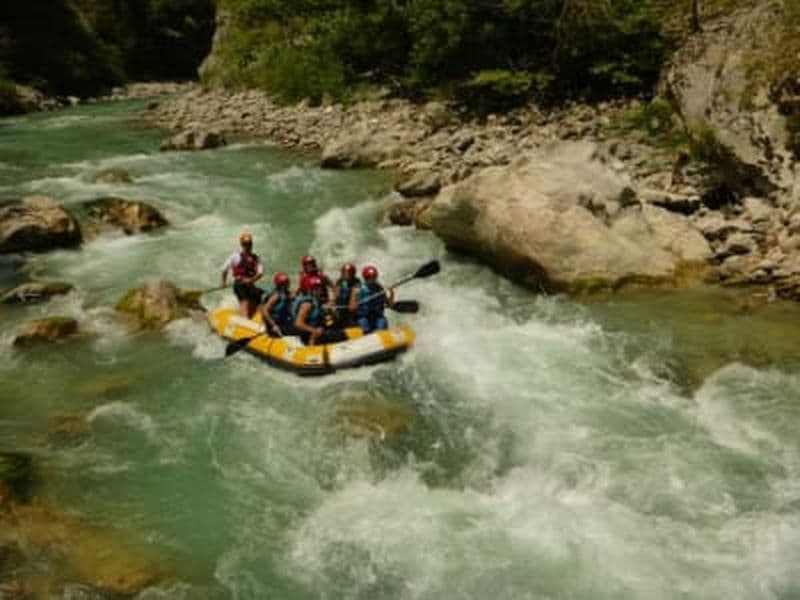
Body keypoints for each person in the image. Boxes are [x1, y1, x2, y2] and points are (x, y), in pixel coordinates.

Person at [291, 275, 346, 345]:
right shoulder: (307, 304)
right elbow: (298, 323)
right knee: (340, 336)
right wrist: (314, 331)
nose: (320, 289)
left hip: (317, 330)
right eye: (316, 288)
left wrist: (330, 310)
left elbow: (324, 316)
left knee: (337, 328)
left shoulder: (317, 300)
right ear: (311, 289)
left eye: (320, 287)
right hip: (308, 334)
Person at [221, 232, 264, 318]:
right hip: (239, 284)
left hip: (250, 284)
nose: (248, 246)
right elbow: (224, 269)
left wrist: (250, 280)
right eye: (245, 244)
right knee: (245, 302)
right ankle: (244, 317)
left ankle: (253, 316)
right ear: (241, 244)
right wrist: (223, 282)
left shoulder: (256, 258)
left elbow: (260, 273)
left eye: (249, 244)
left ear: (252, 244)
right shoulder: (235, 256)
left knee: (262, 296)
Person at [356, 265, 394, 333]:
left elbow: (389, 305)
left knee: (382, 322)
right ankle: (366, 334)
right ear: (365, 278)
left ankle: (380, 334)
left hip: (377, 317)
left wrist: (391, 293)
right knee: (363, 323)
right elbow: (352, 307)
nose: (371, 280)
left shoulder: (380, 289)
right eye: (368, 278)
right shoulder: (359, 289)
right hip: (364, 317)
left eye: (373, 277)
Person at [261, 272, 293, 337]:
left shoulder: (285, 293)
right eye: (287, 282)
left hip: (282, 322)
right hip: (275, 325)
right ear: (281, 284)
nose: (289, 283)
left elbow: (293, 295)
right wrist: (274, 326)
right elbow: (265, 310)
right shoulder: (276, 296)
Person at [332, 262, 361, 327]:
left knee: (352, 312)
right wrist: (333, 302)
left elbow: (355, 293)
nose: (346, 275)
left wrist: (352, 303)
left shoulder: (357, 282)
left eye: (348, 273)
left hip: (351, 308)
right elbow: (336, 294)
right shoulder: (340, 281)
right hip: (341, 307)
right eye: (344, 273)